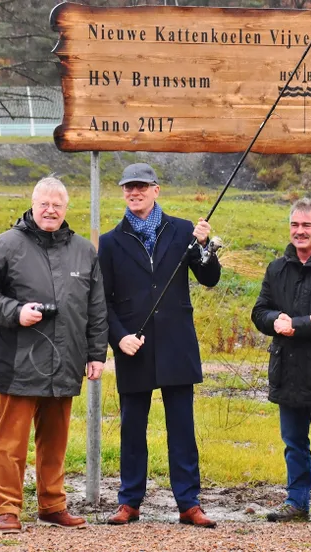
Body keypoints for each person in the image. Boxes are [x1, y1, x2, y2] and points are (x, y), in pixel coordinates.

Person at [0, 176, 107, 534]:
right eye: (44, 204)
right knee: (10, 444)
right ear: (32, 204)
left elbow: (96, 308)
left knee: (55, 443)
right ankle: (6, 508)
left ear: (66, 209)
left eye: (57, 205)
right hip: (19, 362)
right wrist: (15, 311)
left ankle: (52, 505)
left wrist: (96, 354)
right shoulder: (6, 244)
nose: (50, 210)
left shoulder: (83, 250)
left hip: (66, 362)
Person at [99, 163, 221, 528]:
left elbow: (210, 278)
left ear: (156, 190)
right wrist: (119, 337)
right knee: (132, 428)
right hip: (132, 347)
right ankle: (129, 502)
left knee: (181, 427)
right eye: (128, 188)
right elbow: (101, 301)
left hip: (176, 344)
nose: (134, 193)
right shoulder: (109, 242)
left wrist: (204, 247)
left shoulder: (184, 230)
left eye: (141, 187)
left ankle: (188, 503)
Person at [251, 198, 311, 528]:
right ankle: (296, 501)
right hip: (287, 371)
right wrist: (274, 319)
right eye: (295, 225)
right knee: (293, 444)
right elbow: (259, 310)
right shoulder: (276, 268)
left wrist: (295, 325)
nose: (300, 231)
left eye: (307, 225)